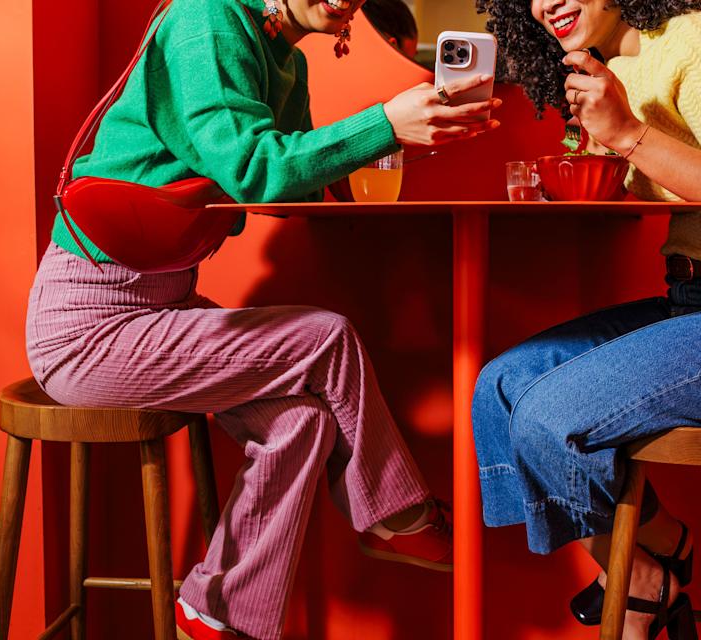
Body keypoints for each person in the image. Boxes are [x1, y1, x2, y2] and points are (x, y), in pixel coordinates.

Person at [26, 0, 501, 639]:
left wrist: (405, 140)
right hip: (89, 326)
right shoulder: (206, 19)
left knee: (302, 422)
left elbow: (291, 189)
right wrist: (384, 122)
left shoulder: (283, 59)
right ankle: (397, 515)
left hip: (160, 306)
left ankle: (217, 611)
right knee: (326, 337)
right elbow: (254, 171)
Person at [470, 0, 701, 637]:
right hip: (694, 303)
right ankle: (655, 557)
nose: (545, 2)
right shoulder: (608, 72)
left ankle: (642, 587)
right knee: (501, 388)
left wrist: (628, 134)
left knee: (548, 412)